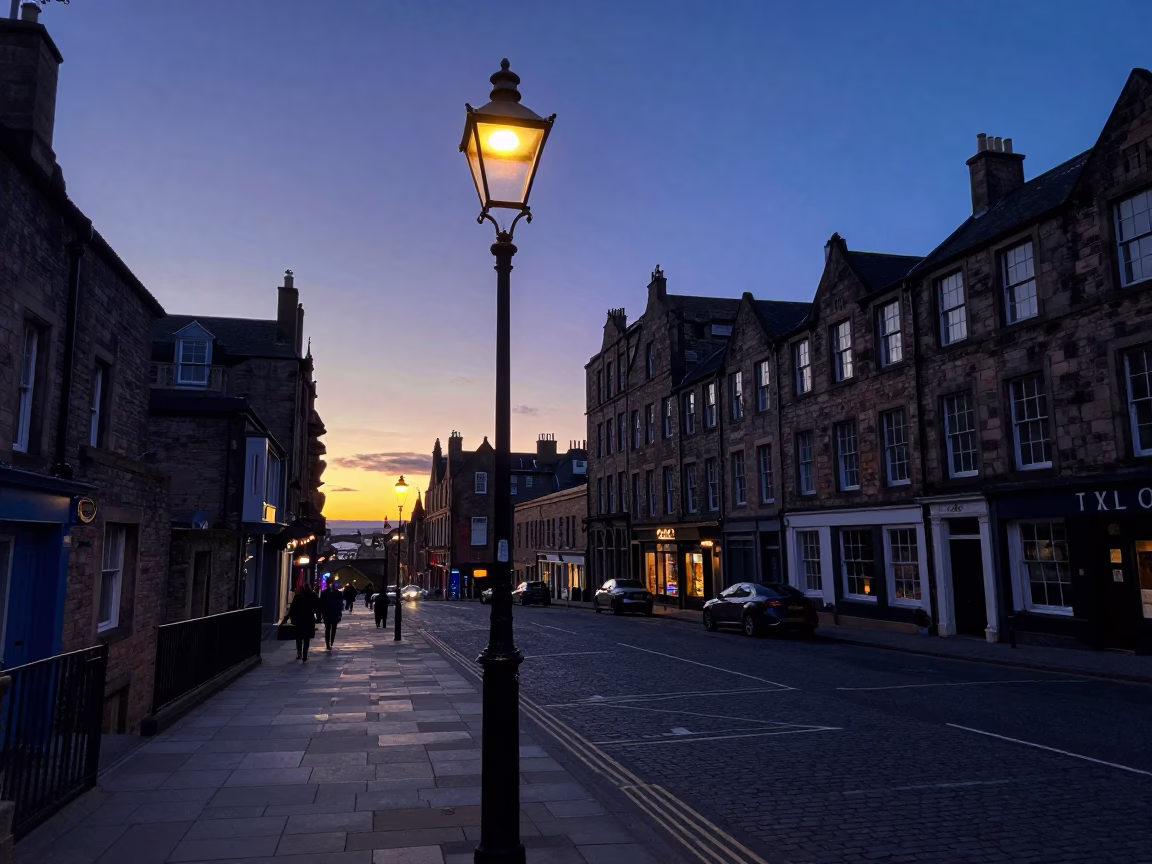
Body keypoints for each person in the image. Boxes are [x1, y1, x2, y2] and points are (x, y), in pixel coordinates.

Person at [288, 583, 321, 663]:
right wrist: (319, 618)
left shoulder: (298, 596)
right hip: (309, 619)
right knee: (307, 637)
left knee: (298, 636)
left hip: (299, 619)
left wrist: (291, 617)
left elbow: (293, 608)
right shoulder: (314, 596)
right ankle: (305, 654)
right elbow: (318, 608)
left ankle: (299, 652)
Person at [320, 583, 344, 650]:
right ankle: (330, 642)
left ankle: (328, 643)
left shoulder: (324, 593)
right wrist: (339, 614)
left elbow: (321, 603)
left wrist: (322, 613)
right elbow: (340, 604)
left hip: (327, 613)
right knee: (333, 629)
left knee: (328, 629)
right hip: (334, 614)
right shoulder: (338, 594)